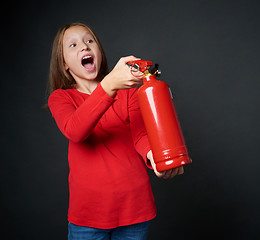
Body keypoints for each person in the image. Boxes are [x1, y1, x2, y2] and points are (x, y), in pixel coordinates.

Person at [47, 22, 185, 240]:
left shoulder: (128, 93)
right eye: (73, 45)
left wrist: (156, 158)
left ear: (99, 52)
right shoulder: (61, 98)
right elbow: (75, 130)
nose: (84, 46)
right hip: (89, 215)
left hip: (135, 208)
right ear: (64, 64)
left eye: (89, 40)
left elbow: (140, 135)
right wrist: (109, 85)